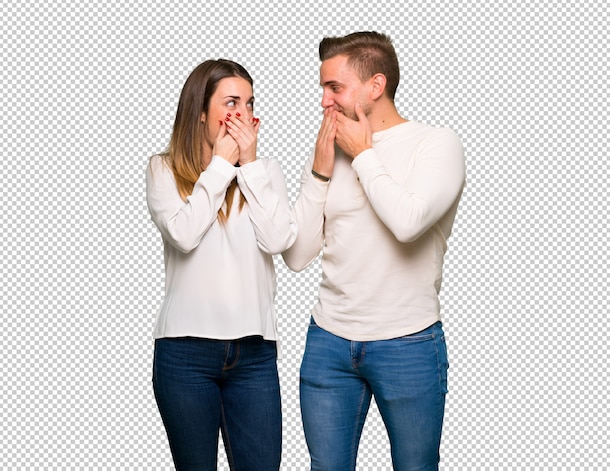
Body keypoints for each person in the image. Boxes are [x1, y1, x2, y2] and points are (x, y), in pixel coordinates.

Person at [282, 32, 466, 470]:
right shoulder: (334, 151)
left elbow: (408, 222)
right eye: (323, 87)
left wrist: (363, 155)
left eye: (335, 88)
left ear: (375, 86)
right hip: (328, 342)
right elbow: (296, 256)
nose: (324, 100)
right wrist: (320, 172)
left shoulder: (436, 144)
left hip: (408, 342)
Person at [146, 59, 297, 471]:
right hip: (185, 352)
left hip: (254, 354)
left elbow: (281, 240)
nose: (244, 115)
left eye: (250, 104)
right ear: (200, 111)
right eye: (232, 102)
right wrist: (221, 165)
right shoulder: (165, 169)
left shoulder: (266, 173)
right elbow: (184, 233)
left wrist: (247, 166)